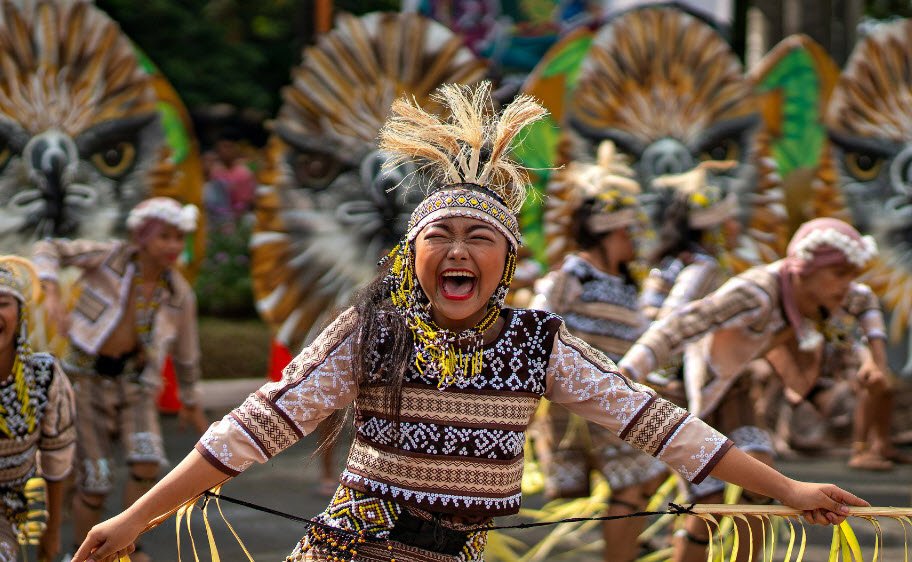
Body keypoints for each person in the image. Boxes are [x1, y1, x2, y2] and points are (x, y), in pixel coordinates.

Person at [72, 83, 866, 562]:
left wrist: (789, 487)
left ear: (507, 262)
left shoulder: (539, 344)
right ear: (411, 256)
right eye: (440, 236)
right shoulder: (370, 331)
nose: (458, 249)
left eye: (479, 236)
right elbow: (254, 427)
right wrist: (134, 518)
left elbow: (660, 426)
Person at [617, 217, 886, 562]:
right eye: (839, 274)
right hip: (688, 389)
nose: (846, 286)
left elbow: (865, 301)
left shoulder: (826, 290)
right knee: (706, 505)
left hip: (734, 388)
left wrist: (875, 361)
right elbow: (680, 325)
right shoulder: (754, 293)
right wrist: (624, 375)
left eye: (851, 275)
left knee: (762, 483)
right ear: (805, 269)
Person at [33, 197, 208, 561]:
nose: (174, 246)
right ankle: (82, 553)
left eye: (179, 238)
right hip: (85, 383)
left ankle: (129, 546)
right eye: (165, 237)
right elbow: (48, 248)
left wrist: (191, 402)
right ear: (142, 236)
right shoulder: (107, 257)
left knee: (147, 464)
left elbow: (187, 354)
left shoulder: (178, 293)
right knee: (94, 482)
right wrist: (50, 293)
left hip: (135, 386)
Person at [530, 141, 666, 562]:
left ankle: (625, 547)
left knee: (650, 475)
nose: (633, 241)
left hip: (617, 394)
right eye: (627, 232)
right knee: (634, 483)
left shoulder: (627, 283)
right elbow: (538, 321)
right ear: (607, 232)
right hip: (582, 401)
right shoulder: (574, 273)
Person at [0, 256, 76, 562]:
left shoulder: (43, 375)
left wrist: (52, 531)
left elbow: (57, 461)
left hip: (7, 510)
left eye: (3, 303)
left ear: (20, 314)